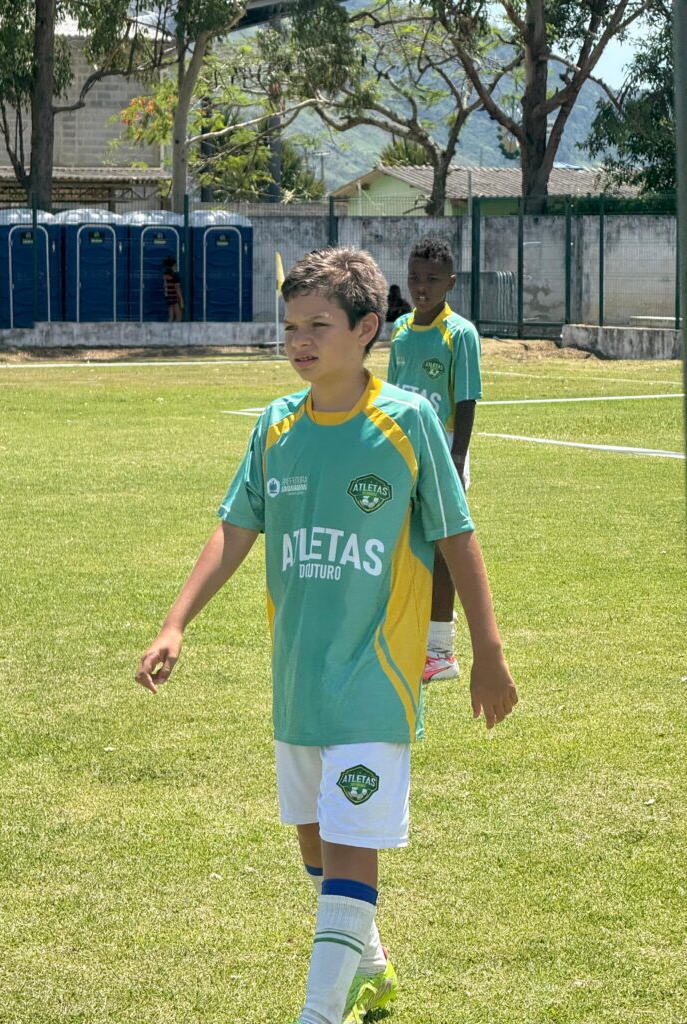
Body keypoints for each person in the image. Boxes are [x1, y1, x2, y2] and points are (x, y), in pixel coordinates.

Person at [135, 247, 517, 1024]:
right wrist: (176, 622)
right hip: (299, 680)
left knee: (349, 848)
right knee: (315, 844)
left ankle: (319, 1012)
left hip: (375, 681)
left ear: (367, 328)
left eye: (317, 325)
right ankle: (370, 967)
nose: (299, 341)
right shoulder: (276, 426)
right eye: (289, 327)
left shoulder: (407, 422)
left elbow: (457, 536)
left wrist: (487, 652)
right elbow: (234, 529)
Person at [388, 237, 482, 685]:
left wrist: (456, 458)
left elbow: (466, 398)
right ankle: (410, 636)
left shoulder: (460, 333)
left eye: (431, 279)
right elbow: (390, 397)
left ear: (450, 283)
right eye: (414, 278)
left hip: (442, 447)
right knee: (404, 544)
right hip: (402, 449)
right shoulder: (400, 329)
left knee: (444, 549)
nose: (421, 287)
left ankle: (441, 652)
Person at [162, 256, 183, 322]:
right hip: (175, 297)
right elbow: (177, 288)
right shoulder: (175, 275)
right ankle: (176, 328)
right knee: (179, 317)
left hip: (169, 296)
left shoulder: (165, 275)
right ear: (174, 265)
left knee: (171, 317)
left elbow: (165, 285)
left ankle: (169, 327)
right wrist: (181, 299)